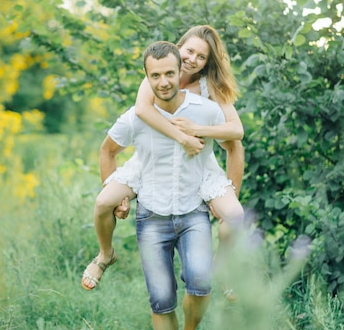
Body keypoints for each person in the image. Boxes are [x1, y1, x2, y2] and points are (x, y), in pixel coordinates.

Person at [81, 25, 245, 298]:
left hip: (195, 167)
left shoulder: (209, 90)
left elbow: (235, 135)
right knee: (103, 202)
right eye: (189, 51)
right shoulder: (158, 75)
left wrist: (197, 130)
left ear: (207, 63)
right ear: (179, 48)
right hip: (152, 160)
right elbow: (142, 110)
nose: (192, 59)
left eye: (201, 57)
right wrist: (182, 137)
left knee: (234, 217)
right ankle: (105, 255)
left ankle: (222, 268)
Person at [98, 40, 224, 330]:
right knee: (161, 300)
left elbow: (233, 144)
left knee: (201, 285)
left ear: (180, 72)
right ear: (146, 76)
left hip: (194, 213)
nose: (164, 82)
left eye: (169, 74)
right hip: (151, 217)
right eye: (155, 75)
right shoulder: (135, 117)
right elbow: (107, 151)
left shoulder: (206, 111)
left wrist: (225, 191)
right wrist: (116, 194)